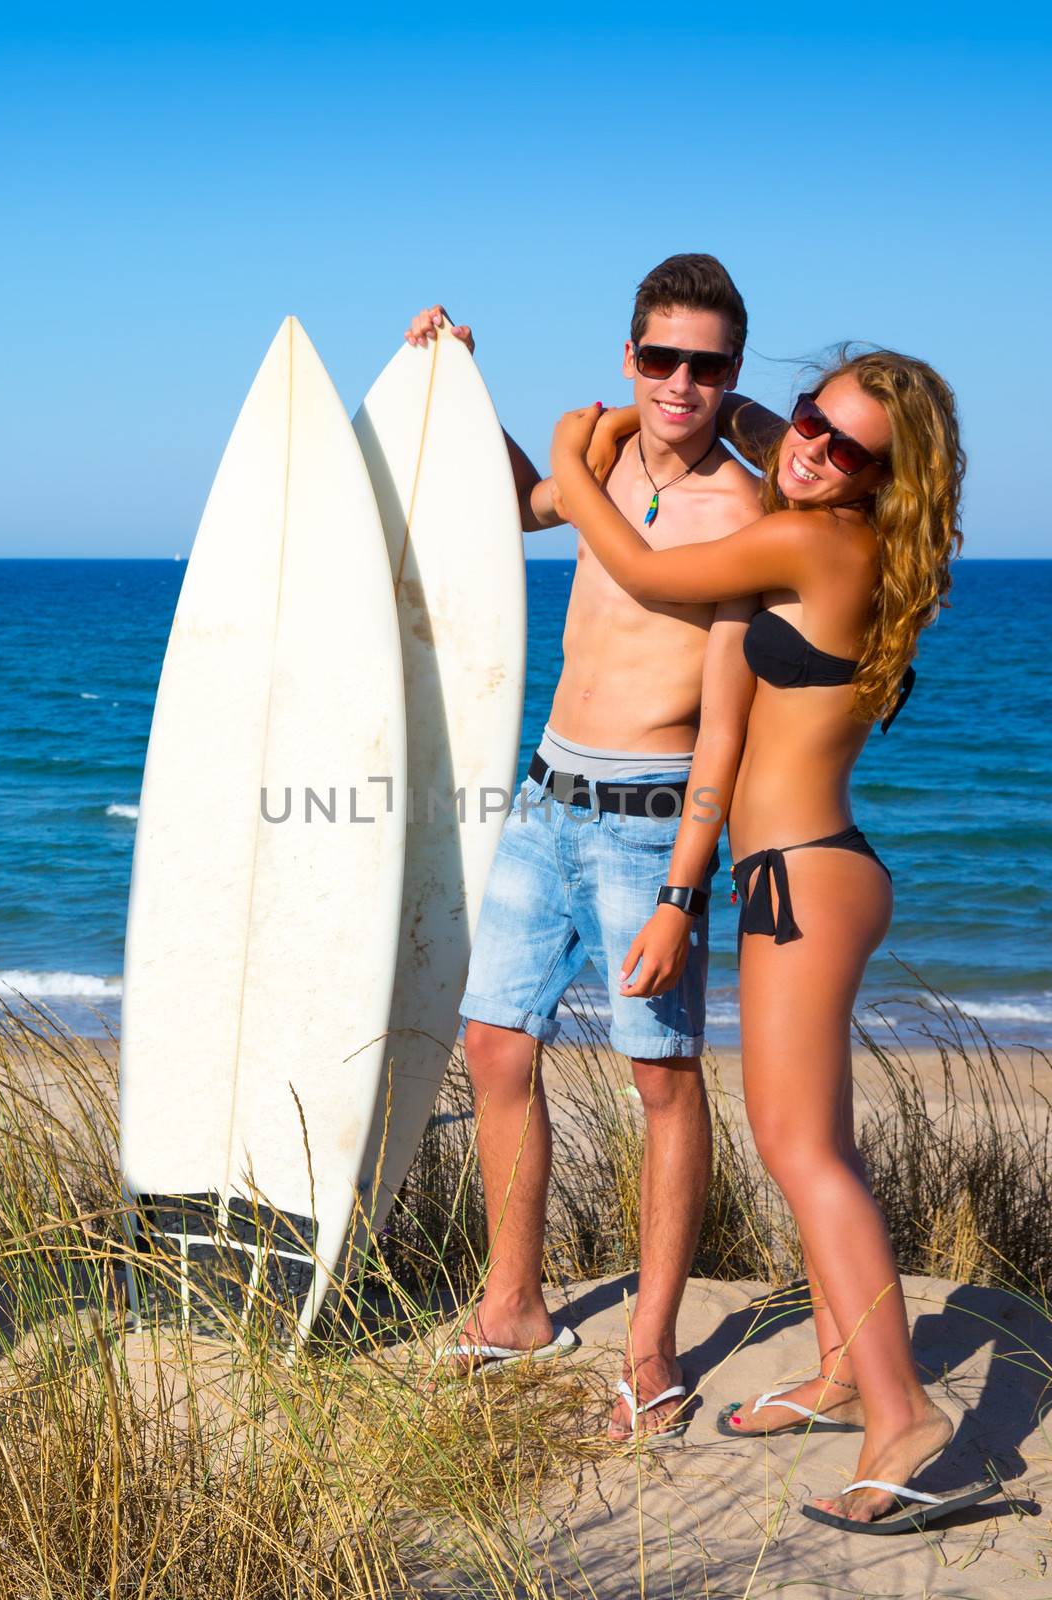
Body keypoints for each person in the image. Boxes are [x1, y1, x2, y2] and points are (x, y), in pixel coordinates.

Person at [549, 351, 992, 1530]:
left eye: (845, 447)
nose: (807, 448)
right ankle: (847, 1372)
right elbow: (781, 443)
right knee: (816, 1141)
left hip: (800, 881)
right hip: (811, 872)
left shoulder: (805, 543)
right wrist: (778, 426)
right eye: (806, 419)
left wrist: (561, 460)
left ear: (883, 477)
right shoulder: (860, 543)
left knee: (803, 1153)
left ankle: (902, 1414)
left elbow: (641, 565)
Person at [409, 255, 771, 1440]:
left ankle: (654, 1350)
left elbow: (726, 726)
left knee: (660, 1081)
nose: (677, 382)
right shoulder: (601, 458)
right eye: (658, 358)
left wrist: (682, 890)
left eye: (704, 364)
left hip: (652, 818)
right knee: (493, 1044)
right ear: (629, 356)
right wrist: (460, 380)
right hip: (546, 790)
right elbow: (521, 502)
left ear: (731, 375)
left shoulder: (745, 513)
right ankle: (511, 1303)